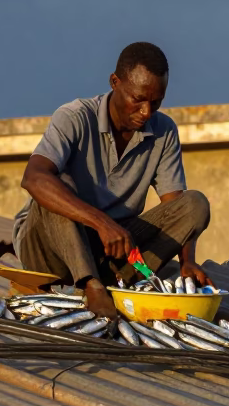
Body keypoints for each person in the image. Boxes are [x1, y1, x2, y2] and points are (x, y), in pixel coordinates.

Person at [13, 42, 211, 318]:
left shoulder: (164, 131)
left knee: (195, 204)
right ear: (114, 82)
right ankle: (91, 286)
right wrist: (101, 223)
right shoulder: (74, 117)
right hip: (50, 251)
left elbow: (176, 206)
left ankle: (119, 280)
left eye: (156, 102)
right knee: (58, 184)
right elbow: (33, 178)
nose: (146, 112)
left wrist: (187, 261)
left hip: (114, 251)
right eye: (137, 99)